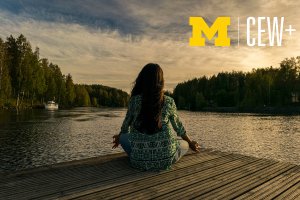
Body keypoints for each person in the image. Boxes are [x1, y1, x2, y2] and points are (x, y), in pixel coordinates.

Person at [112, 63, 200, 171]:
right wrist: (190, 143)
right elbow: (179, 128)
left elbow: (125, 127)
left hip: (139, 162)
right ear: (161, 82)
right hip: (165, 160)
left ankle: (140, 153)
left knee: (123, 137)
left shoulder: (134, 101)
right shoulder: (168, 101)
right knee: (184, 144)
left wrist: (119, 138)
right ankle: (175, 146)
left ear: (142, 80)